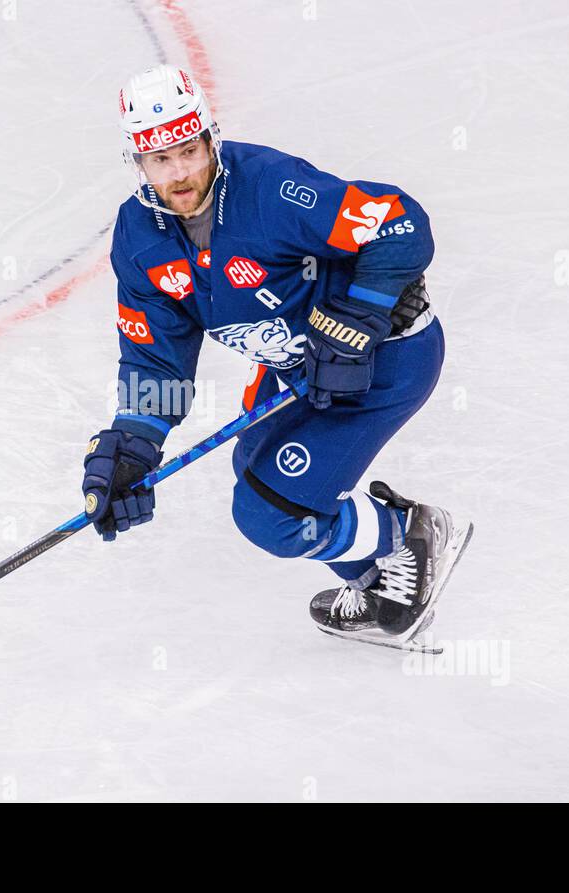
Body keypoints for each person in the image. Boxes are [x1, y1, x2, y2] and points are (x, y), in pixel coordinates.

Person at [80, 64, 471, 648]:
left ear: (211, 137)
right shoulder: (140, 238)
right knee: (255, 467)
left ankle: (409, 534)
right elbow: (155, 359)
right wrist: (135, 443)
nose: (181, 172)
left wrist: (362, 313)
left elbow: (399, 224)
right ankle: (384, 585)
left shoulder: (271, 188)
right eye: (161, 159)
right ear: (138, 163)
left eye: (190, 149)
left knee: (270, 515)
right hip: (300, 371)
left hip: (389, 359)